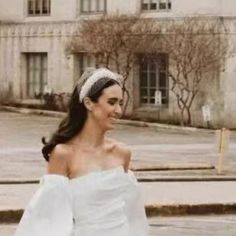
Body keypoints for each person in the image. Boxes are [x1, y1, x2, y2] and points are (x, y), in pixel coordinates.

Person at [14, 67, 149, 236]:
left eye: (120, 103)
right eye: (112, 102)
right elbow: (48, 220)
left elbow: (133, 217)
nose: (119, 111)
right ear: (88, 103)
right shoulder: (63, 155)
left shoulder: (122, 153)